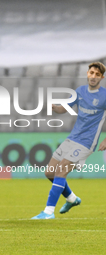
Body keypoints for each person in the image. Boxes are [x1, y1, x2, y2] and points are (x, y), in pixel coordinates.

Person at [32, 61, 106, 219]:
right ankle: (72, 199)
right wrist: (54, 107)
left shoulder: (104, 96)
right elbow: (64, 108)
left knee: (62, 169)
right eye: (91, 73)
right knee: (49, 173)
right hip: (73, 137)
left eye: (97, 75)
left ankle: (48, 212)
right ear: (87, 74)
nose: (93, 77)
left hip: (87, 141)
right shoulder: (79, 91)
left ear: (101, 77)